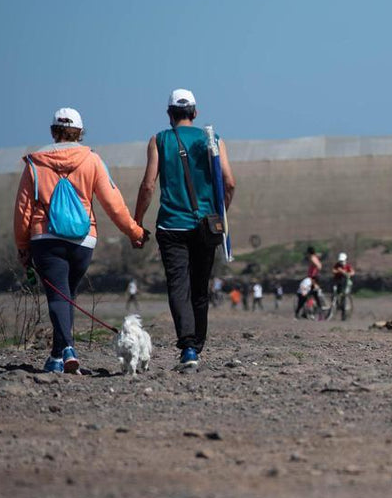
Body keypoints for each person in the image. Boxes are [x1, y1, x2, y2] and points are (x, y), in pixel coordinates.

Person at [14, 107, 148, 373]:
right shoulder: (92, 160)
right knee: (67, 295)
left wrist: (22, 245)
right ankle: (56, 358)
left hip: (45, 238)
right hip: (82, 241)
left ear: (54, 131)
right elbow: (113, 203)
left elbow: (23, 210)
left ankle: (67, 349)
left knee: (58, 297)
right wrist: (135, 232)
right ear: (80, 132)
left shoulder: (35, 164)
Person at [134, 89, 235, 370]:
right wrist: (221, 211)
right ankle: (196, 348)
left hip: (171, 225)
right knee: (200, 289)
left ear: (169, 114)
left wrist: (137, 221)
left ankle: (188, 348)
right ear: (195, 112)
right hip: (207, 224)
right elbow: (229, 183)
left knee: (179, 287)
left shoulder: (159, 140)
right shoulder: (213, 139)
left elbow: (148, 186)